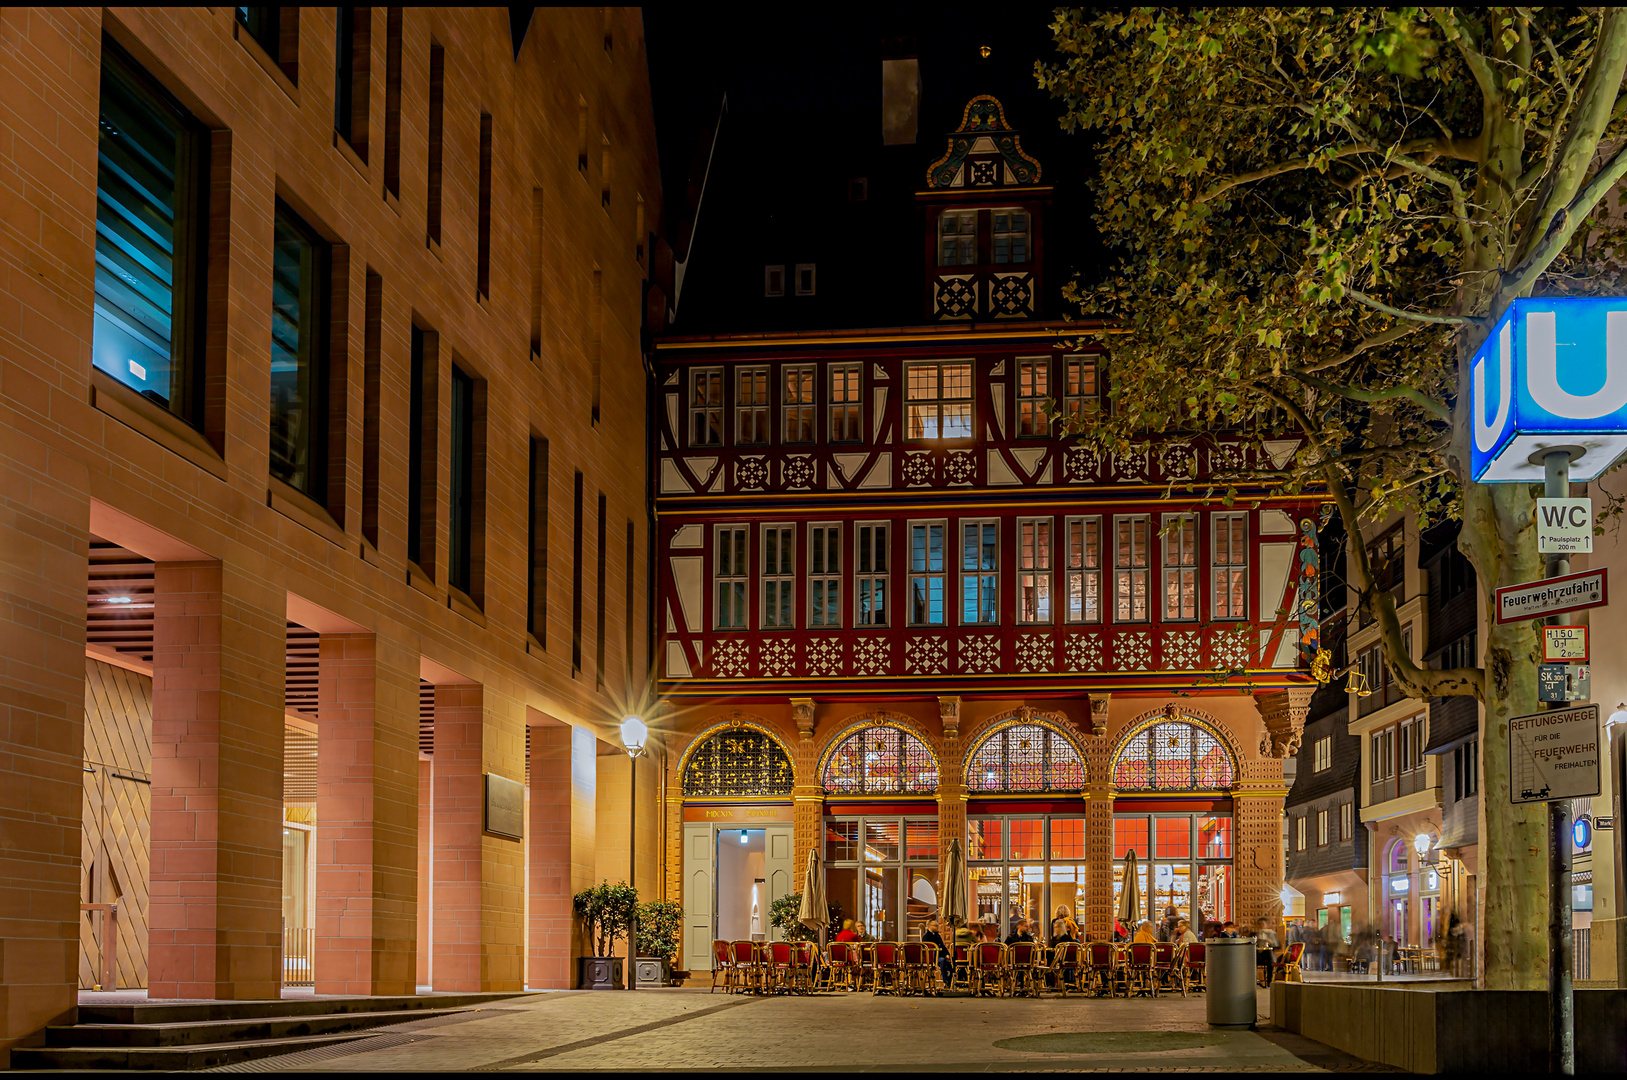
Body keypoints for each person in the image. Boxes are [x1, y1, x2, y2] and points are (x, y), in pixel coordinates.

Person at [923, 917, 952, 988]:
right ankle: (945, 980)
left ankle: (949, 982)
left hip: (940, 955)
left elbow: (943, 946)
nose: (937, 927)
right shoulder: (926, 937)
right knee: (942, 961)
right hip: (932, 957)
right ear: (930, 926)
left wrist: (947, 954)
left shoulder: (937, 935)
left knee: (949, 964)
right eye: (935, 925)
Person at [1254, 917, 1281, 987]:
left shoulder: (1271, 933)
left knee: (1270, 965)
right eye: (1260, 924)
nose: (1261, 926)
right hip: (1259, 954)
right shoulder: (1257, 933)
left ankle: (1269, 981)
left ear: (1266, 924)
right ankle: (1255, 981)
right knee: (1252, 962)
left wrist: (1269, 940)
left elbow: (1277, 945)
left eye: (1263, 924)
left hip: (1269, 955)